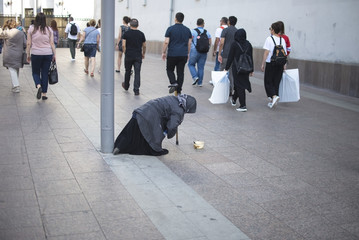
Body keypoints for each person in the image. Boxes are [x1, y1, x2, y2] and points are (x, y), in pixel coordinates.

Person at [113, 94, 197, 156]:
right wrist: (170, 133)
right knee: (155, 136)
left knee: (131, 131)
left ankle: (120, 146)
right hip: (150, 116)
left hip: (142, 110)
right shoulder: (179, 111)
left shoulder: (174, 98)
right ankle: (154, 149)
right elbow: (171, 126)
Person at [26, 12, 56, 100]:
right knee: (45, 73)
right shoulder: (49, 29)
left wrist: (28, 54)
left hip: (36, 53)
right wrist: (54, 54)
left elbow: (28, 43)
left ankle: (38, 85)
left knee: (35, 72)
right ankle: (44, 94)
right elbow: (52, 43)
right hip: (47, 53)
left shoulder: (31, 29)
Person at [162, 12, 192, 94]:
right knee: (180, 72)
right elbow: (189, 43)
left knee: (169, 69)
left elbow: (166, 42)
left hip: (172, 54)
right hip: (183, 54)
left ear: (175, 18)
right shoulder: (187, 30)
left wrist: (163, 52)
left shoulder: (170, 29)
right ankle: (178, 90)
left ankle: (173, 83)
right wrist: (188, 53)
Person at [224, 29, 253, 112]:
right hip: (246, 68)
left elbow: (230, 57)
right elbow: (250, 57)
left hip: (237, 68)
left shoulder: (235, 44)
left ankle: (243, 105)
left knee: (240, 86)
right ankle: (234, 98)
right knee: (238, 84)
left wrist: (226, 68)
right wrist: (251, 69)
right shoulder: (248, 44)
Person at [261, 22, 287, 109]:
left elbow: (266, 52)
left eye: (270, 28)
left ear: (273, 30)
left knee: (268, 81)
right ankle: (273, 100)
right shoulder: (282, 40)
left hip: (270, 63)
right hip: (280, 64)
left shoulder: (269, 39)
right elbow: (284, 54)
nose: (270, 30)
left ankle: (273, 96)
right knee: (276, 81)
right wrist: (284, 65)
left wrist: (263, 63)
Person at [0, 19, 27, 93]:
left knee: (12, 69)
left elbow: (0, 34)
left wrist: (2, 28)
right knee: (16, 69)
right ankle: (14, 85)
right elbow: (25, 44)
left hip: (9, 54)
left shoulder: (7, 33)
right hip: (19, 54)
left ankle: (16, 85)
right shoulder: (21, 33)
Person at [121, 18, 146, 96]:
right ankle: (136, 90)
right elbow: (144, 45)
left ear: (130, 25)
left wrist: (125, 52)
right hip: (138, 56)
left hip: (129, 55)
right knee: (137, 72)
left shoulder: (126, 34)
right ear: (138, 25)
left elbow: (123, 45)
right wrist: (143, 53)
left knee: (127, 71)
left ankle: (126, 86)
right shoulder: (141, 34)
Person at [188, 18, 211, 87]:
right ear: (203, 24)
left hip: (194, 51)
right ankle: (200, 83)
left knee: (191, 64)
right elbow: (209, 42)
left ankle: (195, 77)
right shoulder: (207, 32)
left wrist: (188, 51)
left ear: (196, 23)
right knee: (201, 67)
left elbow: (189, 42)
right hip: (204, 52)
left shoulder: (193, 32)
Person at [218, 16, 238, 95]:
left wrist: (219, 53)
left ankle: (220, 88)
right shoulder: (237, 31)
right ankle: (230, 90)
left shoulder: (225, 30)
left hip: (226, 54)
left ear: (229, 22)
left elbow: (222, 42)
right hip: (234, 55)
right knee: (232, 74)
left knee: (222, 71)